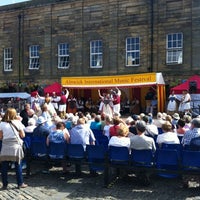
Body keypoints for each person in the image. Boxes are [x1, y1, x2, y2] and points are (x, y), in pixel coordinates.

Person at [0, 108, 28, 189]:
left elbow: (0, 137)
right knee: (17, 164)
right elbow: (23, 135)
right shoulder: (18, 123)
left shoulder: (1, 124)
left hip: (6, 146)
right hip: (15, 145)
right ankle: (20, 183)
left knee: (4, 166)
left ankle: (5, 184)